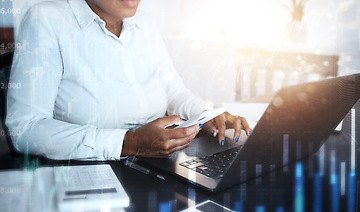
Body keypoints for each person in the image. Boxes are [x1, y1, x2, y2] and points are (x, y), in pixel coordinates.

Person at [6, 0, 251, 160]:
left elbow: (174, 91)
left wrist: (207, 115)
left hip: (161, 168)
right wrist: (129, 143)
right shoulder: (45, 20)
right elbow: (25, 129)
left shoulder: (145, 22)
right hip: (89, 180)